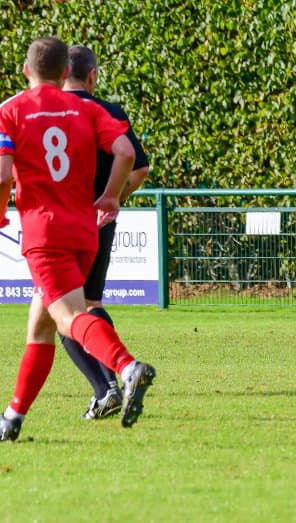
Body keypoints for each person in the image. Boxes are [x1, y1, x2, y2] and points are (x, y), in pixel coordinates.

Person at [0, 37, 156, 442]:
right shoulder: (87, 109)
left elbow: (1, 174)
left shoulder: (11, 110)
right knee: (41, 325)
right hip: (84, 231)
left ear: (25, 71)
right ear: (66, 72)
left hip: (44, 233)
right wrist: (110, 196)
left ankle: (126, 368)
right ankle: (13, 416)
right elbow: (126, 153)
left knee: (69, 319)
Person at [57, 44, 151, 420]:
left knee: (64, 313)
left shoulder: (47, 111)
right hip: (100, 222)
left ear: (61, 73)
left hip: (59, 224)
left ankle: (108, 387)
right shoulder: (110, 111)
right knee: (91, 304)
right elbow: (139, 169)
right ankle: (117, 379)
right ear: (93, 75)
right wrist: (113, 198)